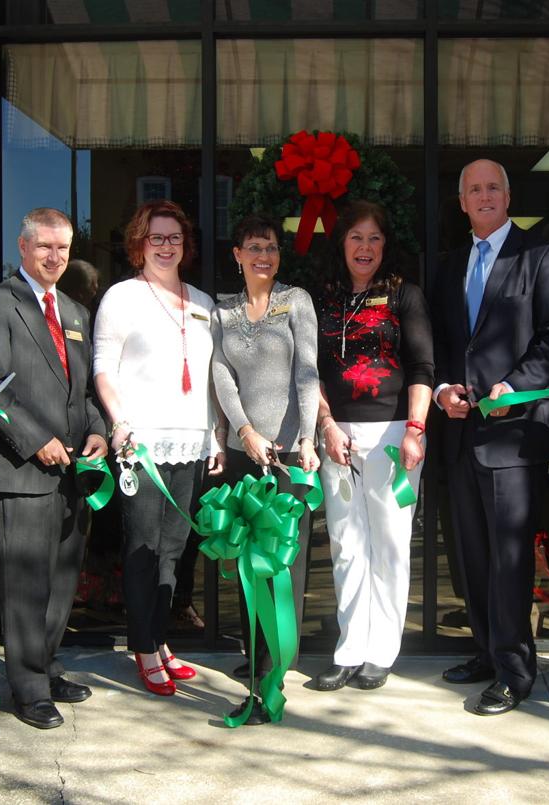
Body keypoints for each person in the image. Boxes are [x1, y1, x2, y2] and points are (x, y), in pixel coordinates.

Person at [429, 160, 549, 716]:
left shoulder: (540, 255)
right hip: (462, 433)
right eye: (474, 189)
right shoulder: (452, 264)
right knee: (471, 555)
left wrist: (513, 387)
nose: (484, 196)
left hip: (513, 435)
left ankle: (515, 670)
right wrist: (444, 388)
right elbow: (446, 342)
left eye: (493, 187)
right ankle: (487, 651)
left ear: (508, 196)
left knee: (510, 558)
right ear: (462, 201)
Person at [0, 207, 108, 730]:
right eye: (44, 247)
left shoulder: (74, 312)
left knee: (62, 580)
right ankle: (26, 689)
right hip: (19, 468)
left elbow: (85, 390)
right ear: (23, 247)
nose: (55, 257)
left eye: (63, 248)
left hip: (73, 471)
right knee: (25, 586)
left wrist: (98, 431)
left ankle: (45, 668)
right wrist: (35, 439)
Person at [93, 199, 224, 697]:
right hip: (143, 441)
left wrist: (216, 435)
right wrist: (119, 421)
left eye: (174, 238)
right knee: (143, 548)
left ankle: (160, 638)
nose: (166, 246)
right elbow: (103, 365)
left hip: (192, 441)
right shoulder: (123, 297)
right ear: (139, 244)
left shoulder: (204, 303)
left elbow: (213, 379)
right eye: (156, 238)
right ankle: (143, 648)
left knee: (174, 548)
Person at [312, 200, 434, 692]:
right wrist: (325, 425)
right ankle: (349, 648)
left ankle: (381, 650)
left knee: (388, 544)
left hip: (391, 435)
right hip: (337, 436)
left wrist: (416, 429)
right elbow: (312, 371)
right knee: (346, 545)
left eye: (374, 239)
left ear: (387, 245)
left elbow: (423, 367)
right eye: (356, 238)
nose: (365, 248)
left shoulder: (406, 296)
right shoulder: (323, 298)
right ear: (341, 243)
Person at [210, 213, 320, 720]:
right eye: (254, 246)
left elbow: (307, 372)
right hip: (242, 451)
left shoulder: (296, 301)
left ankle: (276, 667)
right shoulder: (222, 309)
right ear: (237, 255)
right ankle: (254, 656)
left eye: (271, 247)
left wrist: (305, 440)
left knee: (283, 565)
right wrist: (245, 432)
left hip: (288, 455)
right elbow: (221, 374)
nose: (263, 255)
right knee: (246, 560)